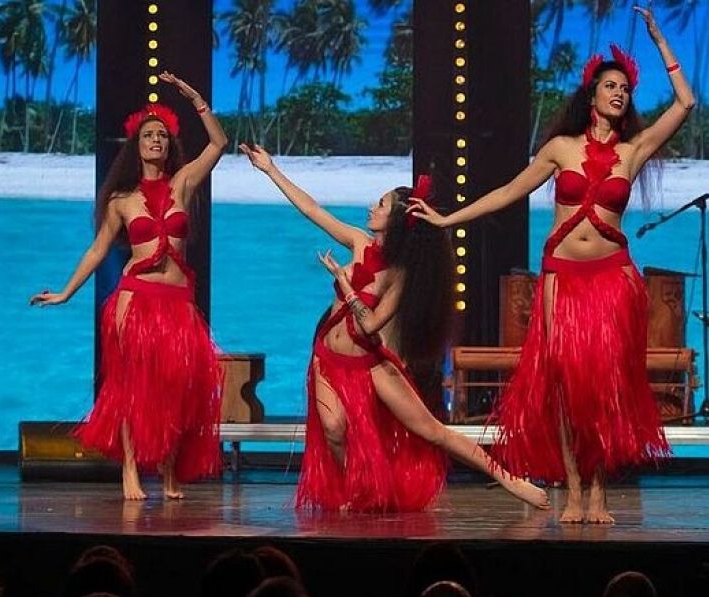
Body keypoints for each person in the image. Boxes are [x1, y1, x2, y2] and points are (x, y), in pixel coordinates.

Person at [408, 6, 694, 523]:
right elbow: (508, 191)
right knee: (563, 386)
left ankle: (602, 492)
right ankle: (575, 489)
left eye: (624, 89)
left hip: (613, 280)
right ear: (591, 95)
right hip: (561, 277)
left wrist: (659, 40)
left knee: (602, 389)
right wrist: (448, 220)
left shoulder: (634, 151)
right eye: (610, 85)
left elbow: (686, 102)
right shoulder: (560, 148)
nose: (618, 93)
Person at [241, 145, 550, 512]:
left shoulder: (398, 275)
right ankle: (352, 492)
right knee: (334, 428)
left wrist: (346, 284)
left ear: (398, 221)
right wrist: (270, 169)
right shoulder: (358, 241)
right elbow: (311, 209)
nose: (373, 208)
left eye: (382, 204)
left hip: (370, 363)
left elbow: (371, 324)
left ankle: (510, 479)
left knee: (431, 429)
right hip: (327, 358)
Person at [31, 72, 227, 500]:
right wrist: (66, 293)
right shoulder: (122, 200)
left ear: (169, 145)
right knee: (131, 388)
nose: (155, 140)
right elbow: (97, 252)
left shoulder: (185, 183)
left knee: (177, 388)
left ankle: (171, 472)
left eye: (161, 135)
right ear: (136, 145)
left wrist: (194, 97)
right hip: (134, 300)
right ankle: (132, 472)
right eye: (147, 135)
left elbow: (219, 144)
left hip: (177, 302)